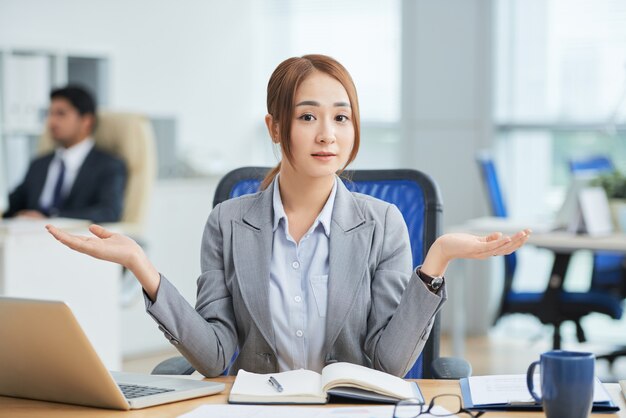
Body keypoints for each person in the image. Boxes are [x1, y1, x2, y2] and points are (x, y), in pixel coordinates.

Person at [46, 55, 529, 378]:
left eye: (341, 117)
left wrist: (437, 261)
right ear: (275, 126)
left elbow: (388, 365)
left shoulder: (384, 223)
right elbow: (215, 357)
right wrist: (141, 267)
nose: (328, 135)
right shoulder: (227, 222)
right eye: (307, 117)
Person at [3, 85, 127, 223]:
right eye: (49, 114)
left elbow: (109, 212)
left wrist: (51, 219)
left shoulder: (108, 165)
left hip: (74, 239)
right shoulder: (39, 164)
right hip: (27, 236)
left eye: (61, 114)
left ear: (86, 121)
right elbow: (12, 205)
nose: (52, 122)